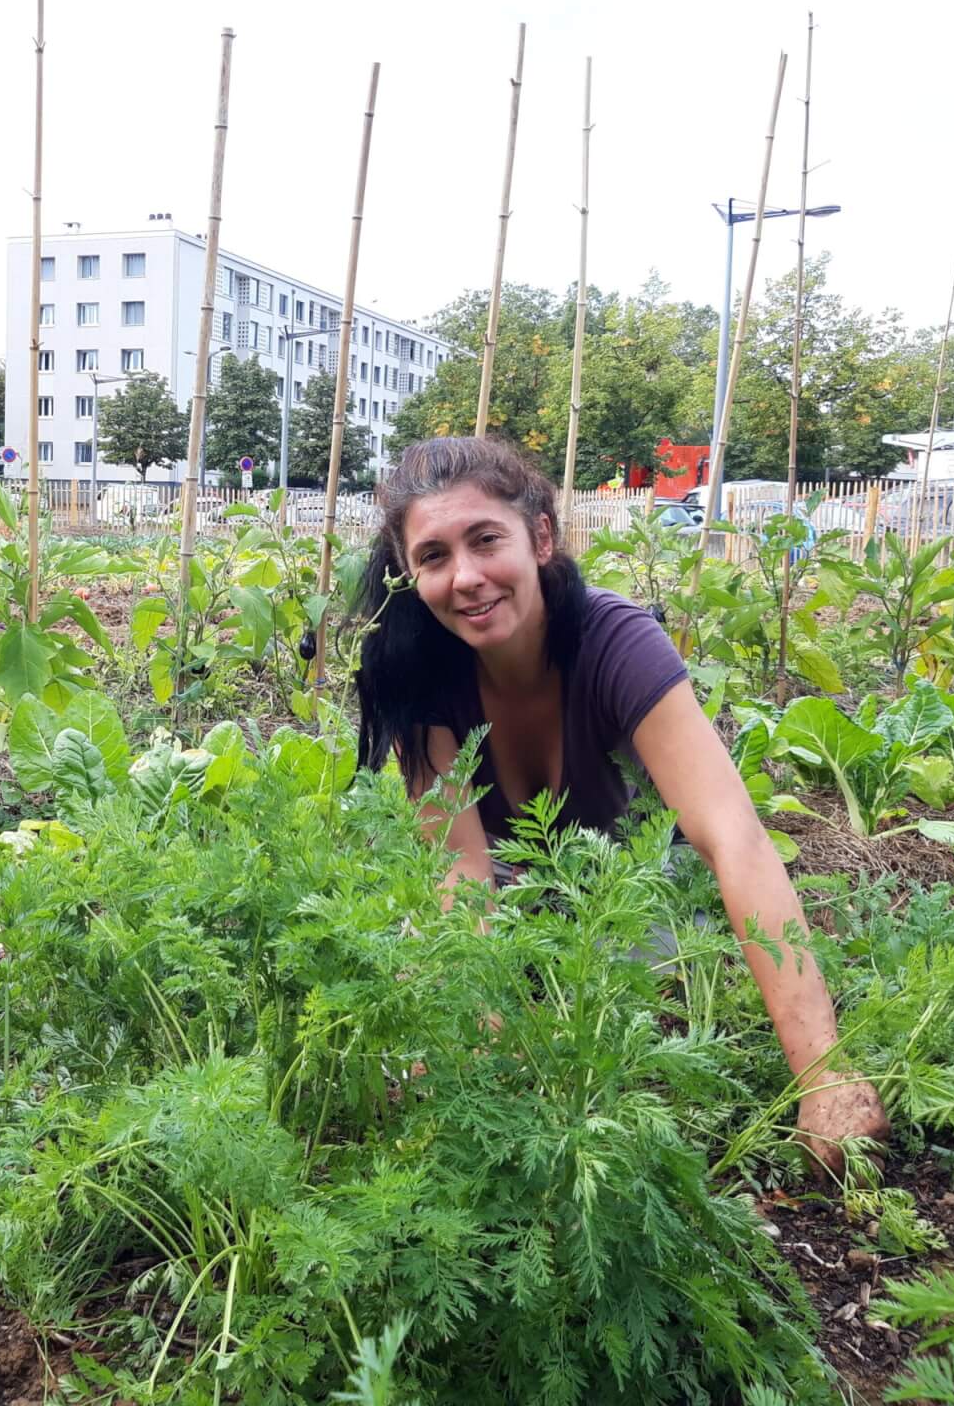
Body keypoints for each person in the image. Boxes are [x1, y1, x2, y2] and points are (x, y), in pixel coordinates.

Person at [355, 436, 887, 1174]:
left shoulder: (615, 642)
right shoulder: (417, 672)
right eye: (435, 557)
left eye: (485, 540)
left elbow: (733, 837)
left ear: (540, 536)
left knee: (645, 1039)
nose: (467, 577)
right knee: (406, 1046)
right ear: (410, 576)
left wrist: (822, 1071)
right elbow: (460, 876)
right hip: (507, 897)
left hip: (635, 895)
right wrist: (479, 1038)